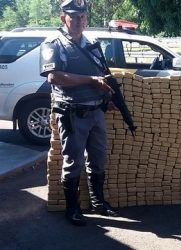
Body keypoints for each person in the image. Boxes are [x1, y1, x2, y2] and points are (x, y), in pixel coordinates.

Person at [39, 0, 118, 226]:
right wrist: (91, 81)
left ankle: (98, 203)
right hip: (72, 114)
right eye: (74, 17)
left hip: (96, 112)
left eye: (82, 17)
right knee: (73, 161)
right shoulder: (54, 43)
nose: (79, 21)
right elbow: (54, 77)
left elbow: (102, 73)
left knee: (99, 158)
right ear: (63, 18)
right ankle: (72, 209)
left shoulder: (92, 42)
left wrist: (107, 99)